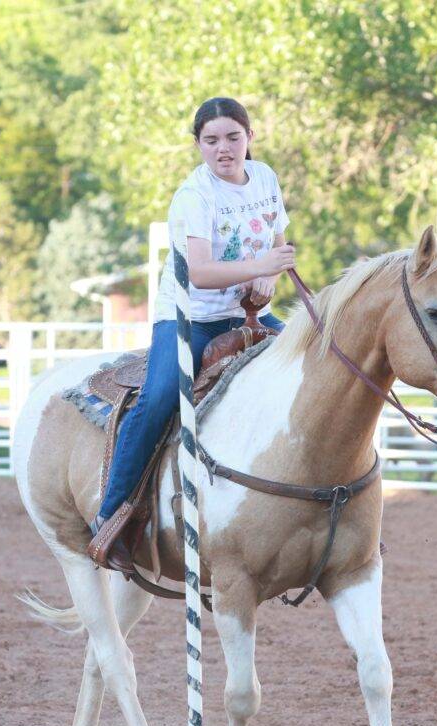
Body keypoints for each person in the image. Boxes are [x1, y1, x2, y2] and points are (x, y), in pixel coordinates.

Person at [89, 96, 296, 570]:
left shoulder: (265, 178)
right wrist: (261, 264)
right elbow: (200, 272)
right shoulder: (193, 197)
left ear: (250, 137)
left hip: (246, 313)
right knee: (160, 396)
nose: (223, 148)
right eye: (211, 140)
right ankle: (112, 517)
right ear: (198, 145)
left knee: (308, 366)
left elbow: (278, 247)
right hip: (189, 315)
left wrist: (269, 277)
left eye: (233, 137)